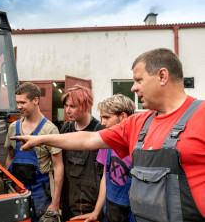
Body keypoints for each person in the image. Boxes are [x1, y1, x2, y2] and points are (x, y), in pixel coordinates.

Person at [11, 48, 205, 222]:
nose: (133, 88)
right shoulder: (139, 122)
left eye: (139, 80)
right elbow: (89, 138)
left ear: (162, 76)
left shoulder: (201, 116)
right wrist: (41, 139)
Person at [4, 82, 64, 222]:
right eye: (17, 102)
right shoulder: (13, 127)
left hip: (41, 192)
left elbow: (58, 166)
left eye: (23, 102)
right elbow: (10, 157)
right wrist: (6, 186)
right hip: (18, 189)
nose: (19, 106)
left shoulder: (49, 130)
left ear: (36, 100)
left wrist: (55, 203)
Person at [71, 94, 136, 222]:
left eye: (106, 117)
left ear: (123, 117)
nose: (102, 123)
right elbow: (105, 179)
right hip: (111, 212)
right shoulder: (106, 143)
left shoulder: (138, 145)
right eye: (101, 117)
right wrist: (96, 212)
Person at [59, 85, 104, 222]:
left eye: (72, 106)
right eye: (66, 106)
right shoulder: (66, 129)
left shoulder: (99, 130)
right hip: (67, 198)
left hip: (90, 202)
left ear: (85, 106)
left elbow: (104, 175)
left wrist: (97, 209)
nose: (67, 111)